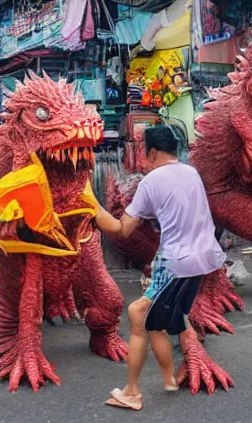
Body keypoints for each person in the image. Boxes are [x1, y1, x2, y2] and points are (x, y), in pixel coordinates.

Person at [93, 126, 225, 411]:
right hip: (205, 261)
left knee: (139, 314)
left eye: (145, 155)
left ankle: (132, 391)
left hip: (175, 262)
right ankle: (168, 378)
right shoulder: (191, 173)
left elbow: (122, 229)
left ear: (151, 152)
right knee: (162, 320)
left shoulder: (151, 182)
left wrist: (92, 207)